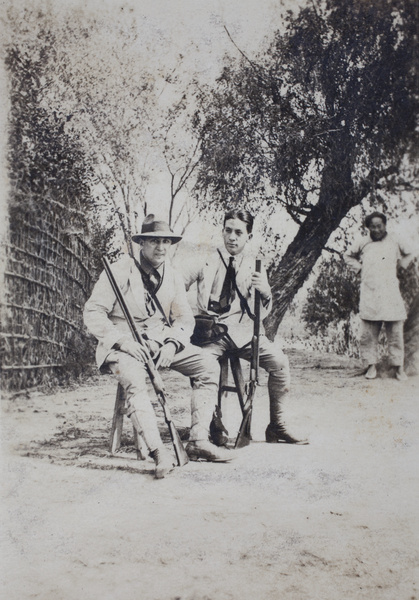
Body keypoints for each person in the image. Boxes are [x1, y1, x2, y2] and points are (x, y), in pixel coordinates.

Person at [83, 215, 234, 479]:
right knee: (134, 380)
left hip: (161, 342)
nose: (161, 247)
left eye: (166, 241)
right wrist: (124, 342)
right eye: (154, 241)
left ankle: (198, 440)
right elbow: (93, 312)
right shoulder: (119, 270)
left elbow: (185, 318)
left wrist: (172, 344)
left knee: (209, 366)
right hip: (122, 346)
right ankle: (158, 452)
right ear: (142, 243)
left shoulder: (173, 275)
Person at [180, 208, 306, 445]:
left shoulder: (255, 265)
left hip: (244, 332)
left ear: (248, 235)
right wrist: (185, 319)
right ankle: (210, 426)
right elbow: (175, 285)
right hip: (212, 334)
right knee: (203, 366)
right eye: (228, 230)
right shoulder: (204, 257)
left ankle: (277, 425)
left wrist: (266, 292)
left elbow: (262, 311)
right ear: (222, 231)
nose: (232, 237)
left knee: (280, 363)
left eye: (239, 232)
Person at [344, 211, 413, 381]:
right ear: (368, 228)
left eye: (379, 226)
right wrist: (359, 268)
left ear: (384, 225)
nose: (376, 230)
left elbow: (411, 252)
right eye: (372, 227)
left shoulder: (395, 240)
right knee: (368, 334)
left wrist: (402, 265)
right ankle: (371, 367)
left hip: (390, 293)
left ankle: (398, 368)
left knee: (395, 332)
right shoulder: (363, 242)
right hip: (370, 293)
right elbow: (347, 255)